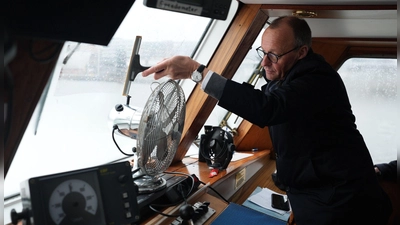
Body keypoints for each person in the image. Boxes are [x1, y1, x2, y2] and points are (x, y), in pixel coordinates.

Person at [142, 16, 392, 225]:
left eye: (274, 55)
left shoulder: (317, 79)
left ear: (302, 52)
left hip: (341, 205)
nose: (264, 62)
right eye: (262, 52)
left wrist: (196, 72)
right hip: (317, 195)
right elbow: (260, 102)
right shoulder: (284, 80)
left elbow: (267, 109)